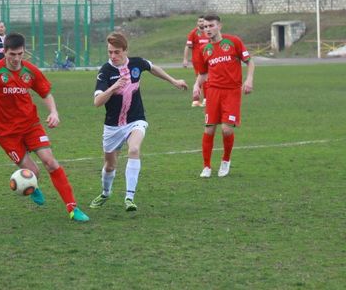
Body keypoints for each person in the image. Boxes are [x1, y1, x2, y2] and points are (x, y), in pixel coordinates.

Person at [0, 32, 90, 223]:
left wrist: (54, 112)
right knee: (33, 172)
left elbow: (46, 94)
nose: (16, 59)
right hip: (6, 133)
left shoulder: (31, 71)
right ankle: (33, 186)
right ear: (5, 52)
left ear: (24, 51)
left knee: (50, 162)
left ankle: (72, 208)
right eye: (12, 54)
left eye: (20, 54)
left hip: (31, 125)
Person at [90, 32, 188, 212]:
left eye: (117, 52)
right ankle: (106, 192)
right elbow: (97, 102)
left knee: (134, 149)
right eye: (110, 52)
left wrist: (173, 81)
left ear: (125, 51)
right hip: (112, 126)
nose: (113, 56)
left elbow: (152, 67)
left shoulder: (136, 63)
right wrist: (113, 87)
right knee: (110, 165)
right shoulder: (105, 71)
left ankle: (129, 197)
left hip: (135, 120)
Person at [193, 14, 254, 178]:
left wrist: (249, 80)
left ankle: (225, 161)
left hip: (232, 92)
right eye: (205, 27)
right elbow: (203, 73)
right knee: (209, 129)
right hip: (213, 92)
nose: (207, 29)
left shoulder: (233, 42)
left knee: (227, 129)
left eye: (211, 25)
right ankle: (206, 166)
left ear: (219, 26)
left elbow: (249, 62)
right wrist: (196, 85)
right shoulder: (204, 49)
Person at [182, 16, 209, 107]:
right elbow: (188, 46)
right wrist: (185, 59)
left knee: (206, 79)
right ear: (197, 23)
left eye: (203, 21)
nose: (201, 23)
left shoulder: (208, 32)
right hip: (198, 61)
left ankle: (198, 100)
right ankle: (203, 100)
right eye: (200, 21)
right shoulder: (193, 33)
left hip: (209, 59)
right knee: (202, 78)